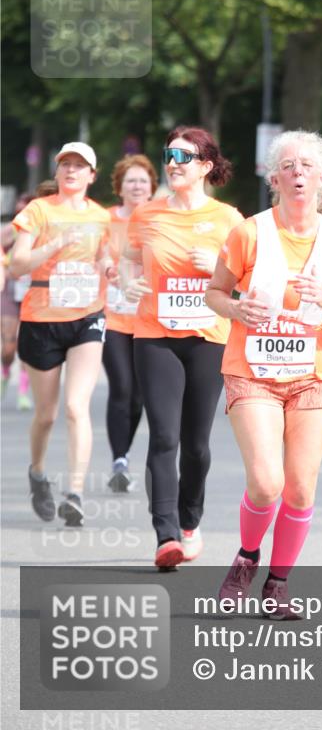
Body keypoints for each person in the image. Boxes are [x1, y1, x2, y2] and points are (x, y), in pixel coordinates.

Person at [205, 129, 322, 617]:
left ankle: (277, 584)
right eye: (289, 166)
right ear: (274, 178)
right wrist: (236, 309)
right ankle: (247, 557)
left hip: (312, 376)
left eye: (307, 166)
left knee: (300, 486)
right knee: (267, 482)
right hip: (252, 371)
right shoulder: (249, 232)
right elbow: (213, 293)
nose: (298, 173)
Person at [126, 126, 243, 570]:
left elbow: (245, 280)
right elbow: (127, 259)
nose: (173, 162)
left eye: (184, 156)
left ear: (206, 167)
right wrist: (125, 279)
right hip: (154, 334)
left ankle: (190, 521)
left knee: (196, 445)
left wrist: (213, 265)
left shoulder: (229, 220)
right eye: (169, 154)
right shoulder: (147, 215)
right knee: (163, 437)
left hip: (207, 337)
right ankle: (166, 535)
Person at [10, 144, 111, 527]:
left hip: (86, 315)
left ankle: (75, 493)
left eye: (80, 166)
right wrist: (52, 245)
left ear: (92, 175)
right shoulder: (40, 210)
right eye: (66, 165)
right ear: (58, 171)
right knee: (47, 414)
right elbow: (18, 264)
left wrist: (109, 267)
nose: (71, 171)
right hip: (41, 318)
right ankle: (38, 473)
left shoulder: (102, 218)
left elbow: (107, 258)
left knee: (75, 407)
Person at [104, 154, 158, 493]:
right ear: (120, 187)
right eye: (131, 181)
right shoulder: (105, 220)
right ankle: (119, 459)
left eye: (143, 181)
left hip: (149, 317)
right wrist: (106, 269)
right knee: (122, 386)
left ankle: (122, 455)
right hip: (112, 315)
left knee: (139, 394)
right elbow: (92, 254)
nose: (137, 186)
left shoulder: (159, 218)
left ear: (152, 186)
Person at [2, 192, 35, 410]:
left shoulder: (42, 232)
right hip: (10, 290)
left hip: (33, 291)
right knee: (8, 346)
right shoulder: (9, 231)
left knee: (26, 344)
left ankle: (23, 392)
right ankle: (5, 371)